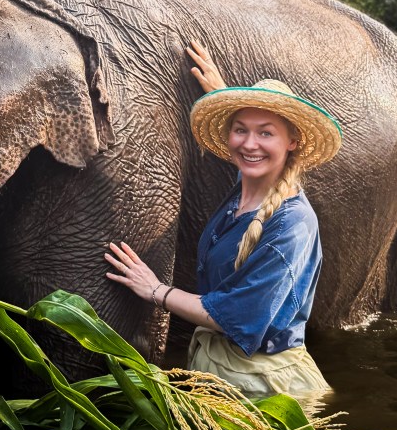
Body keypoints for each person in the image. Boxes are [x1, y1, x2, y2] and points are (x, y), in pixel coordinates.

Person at [105, 41, 342, 400]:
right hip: (224, 377)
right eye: (240, 129)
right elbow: (249, 156)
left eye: (266, 132)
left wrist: (156, 291)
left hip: (266, 391)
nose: (250, 144)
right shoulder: (248, 192)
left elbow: (235, 318)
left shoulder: (292, 224)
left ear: (292, 141)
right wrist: (223, 93)